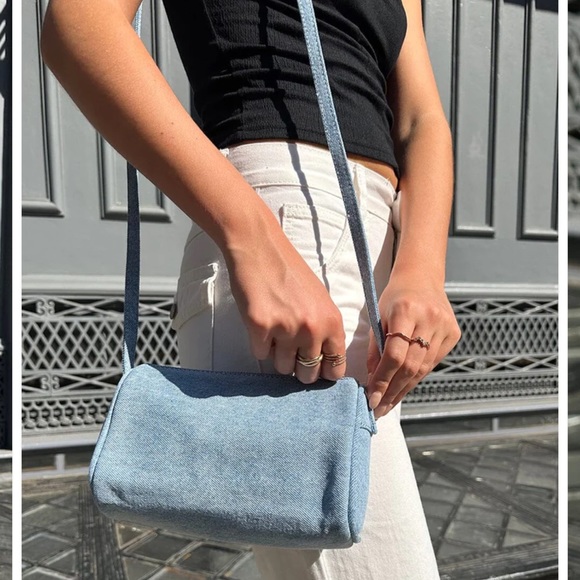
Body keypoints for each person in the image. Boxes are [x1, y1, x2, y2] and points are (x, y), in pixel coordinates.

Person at [41, 0, 461, 578]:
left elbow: (421, 119)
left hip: (380, 248)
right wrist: (255, 241)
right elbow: (79, 24)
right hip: (287, 225)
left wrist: (423, 268)